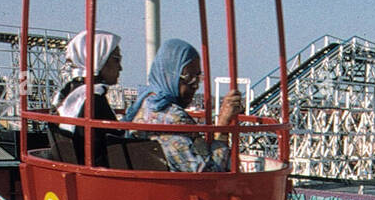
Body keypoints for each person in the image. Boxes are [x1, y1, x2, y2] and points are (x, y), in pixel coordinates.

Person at [127, 40, 243, 172]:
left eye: (198, 77)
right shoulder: (174, 119)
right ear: (169, 75)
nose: (195, 85)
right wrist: (223, 126)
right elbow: (209, 174)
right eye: (189, 77)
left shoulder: (144, 104)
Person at [54, 30, 123, 165]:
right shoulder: (94, 101)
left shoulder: (67, 93)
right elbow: (116, 149)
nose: (120, 68)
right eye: (116, 60)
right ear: (99, 59)